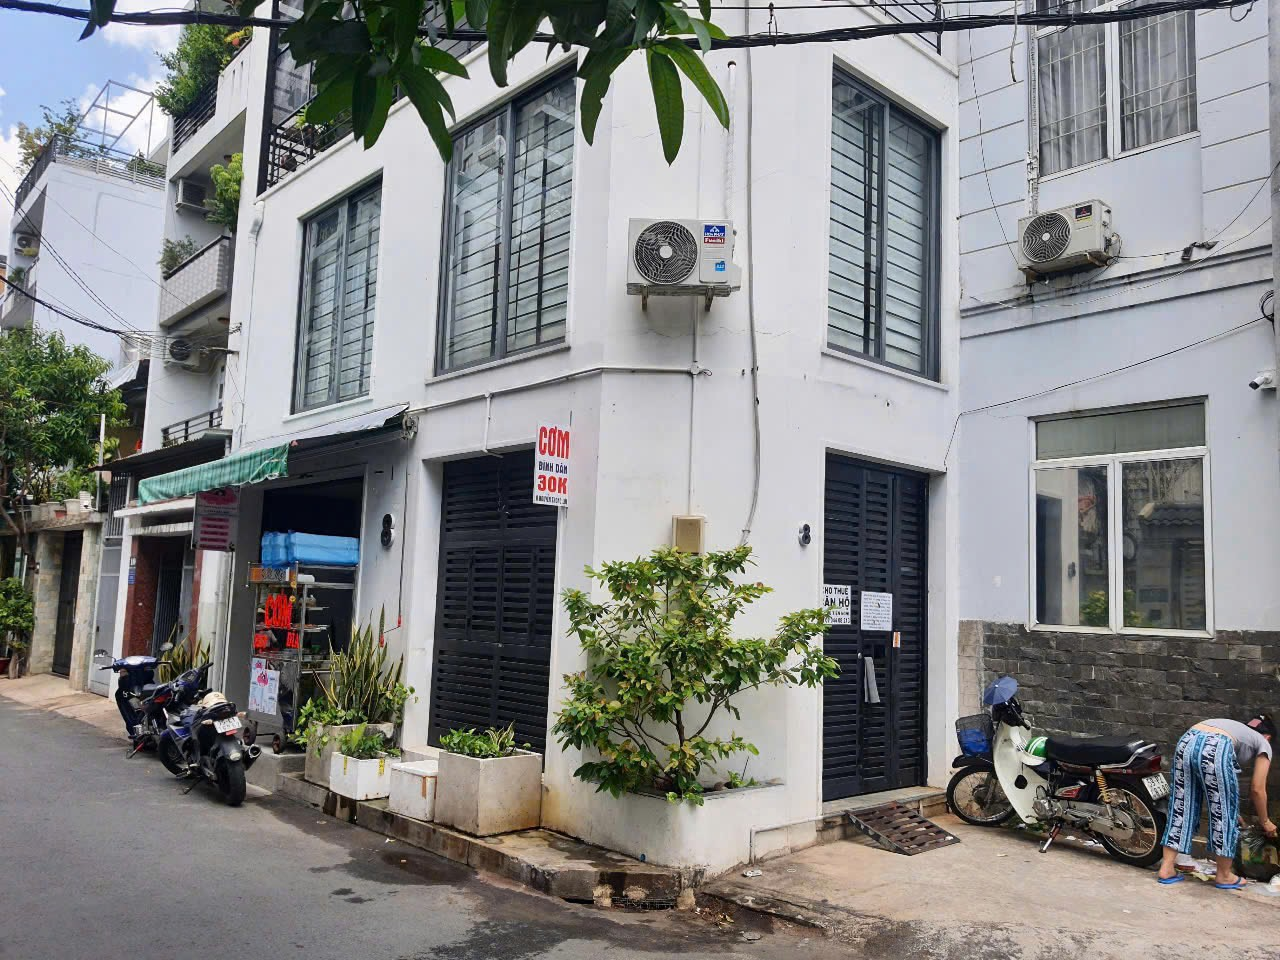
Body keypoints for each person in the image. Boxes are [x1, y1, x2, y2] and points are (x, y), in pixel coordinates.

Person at [1157, 714, 1275, 889]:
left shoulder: (1235, 728)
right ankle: (1224, 875)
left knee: (1181, 806)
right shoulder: (1263, 742)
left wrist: (1233, 810)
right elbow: (1257, 789)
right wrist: (1265, 821)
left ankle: (1166, 868)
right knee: (1224, 815)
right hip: (1216, 746)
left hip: (1187, 740)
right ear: (1268, 737)